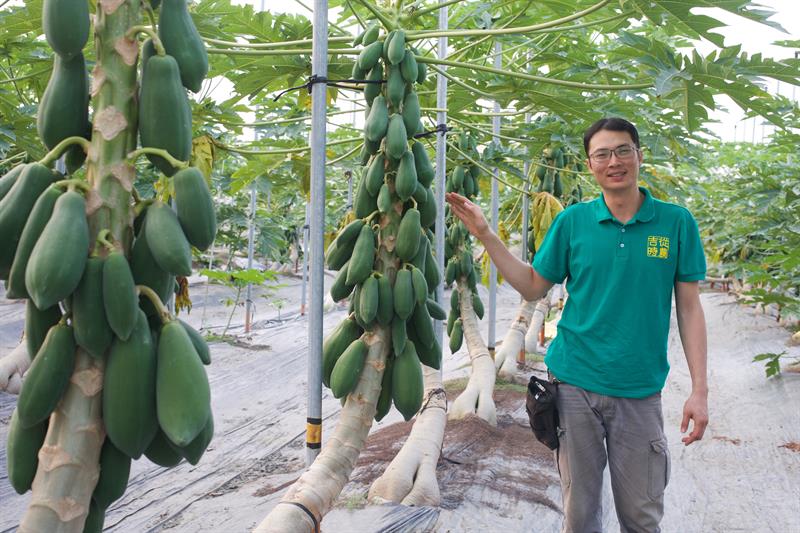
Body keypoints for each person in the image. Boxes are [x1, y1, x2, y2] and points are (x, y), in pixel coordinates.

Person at [445, 117, 708, 533]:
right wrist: (485, 234)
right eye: (602, 154)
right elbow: (533, 286)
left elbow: (690, 309)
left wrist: (699, 389)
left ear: (640, 156)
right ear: (590, 165)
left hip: (639, 390)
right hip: (573, 387)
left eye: (623, 150)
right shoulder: (572, 222)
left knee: (642, 515)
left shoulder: (676, 223)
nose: (614, 161)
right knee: (579, 515)